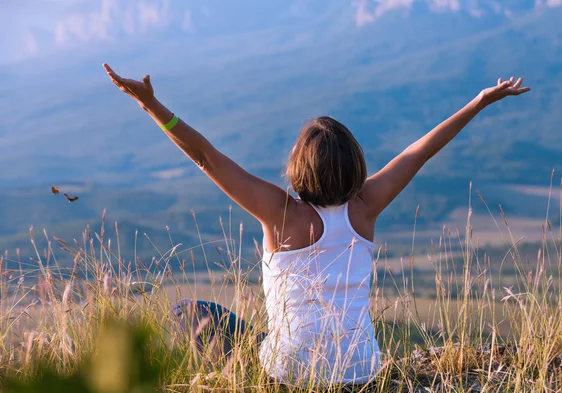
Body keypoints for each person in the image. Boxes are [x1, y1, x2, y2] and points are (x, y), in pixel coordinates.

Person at [103, 63, 530, 387]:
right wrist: (478, 103)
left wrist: (151, 105)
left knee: (187, 313)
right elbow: (419, 153)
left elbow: (205, 157)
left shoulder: (280, 213)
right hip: (359, 375)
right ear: (354, 166)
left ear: (299, 167)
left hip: (288, 378)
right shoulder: (366, 207)